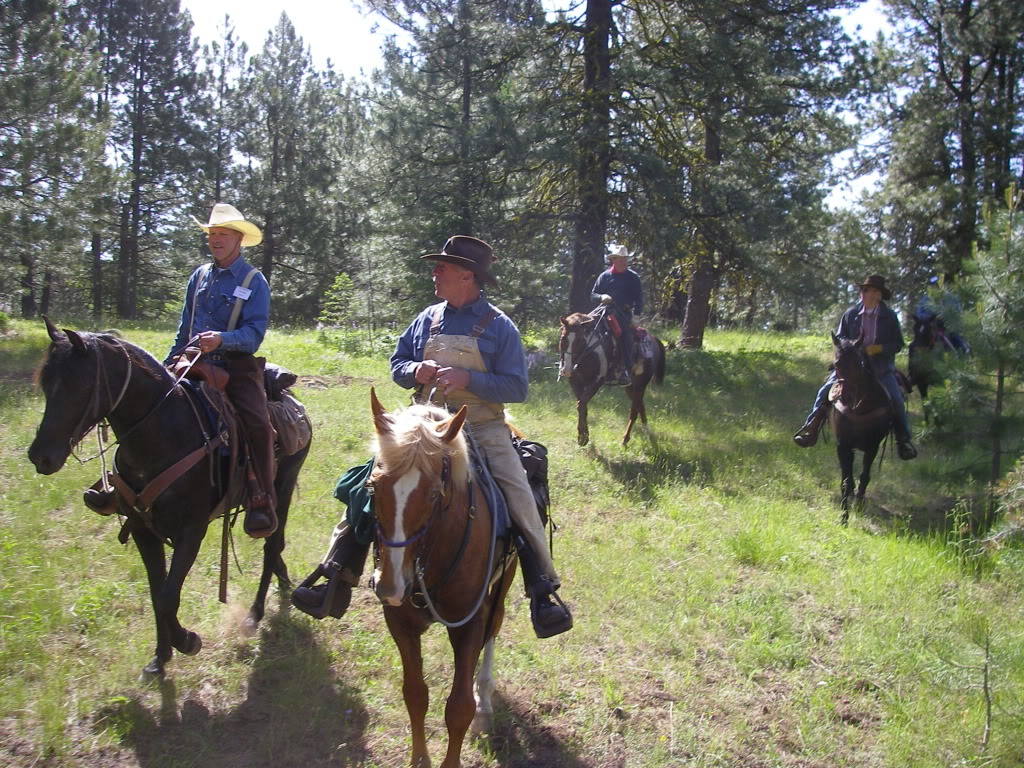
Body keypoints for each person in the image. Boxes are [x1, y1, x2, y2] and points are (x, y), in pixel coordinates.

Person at [292, 235, 573, 639]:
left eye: (442, 267)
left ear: (467, 275)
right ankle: (336, 573)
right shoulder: (427, 318)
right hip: (422, 424)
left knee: (518, 493)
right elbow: (397, 363)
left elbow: (517, 387)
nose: (434, 273)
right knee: (372, 482)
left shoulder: (500, 327)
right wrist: (414, 371)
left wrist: (468, 378)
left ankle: (542, 588)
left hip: (482, 426)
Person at [84, 203, 278, 538]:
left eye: (223, 234)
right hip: (189, 361)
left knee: (258, 424)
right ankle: (121, 485)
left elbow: (253, 334)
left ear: (238, 239)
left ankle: (261, 497)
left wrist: (221, 340)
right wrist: (166, 366)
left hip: (234, 367)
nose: (216, 239)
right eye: (212, 234)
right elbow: (183, 328)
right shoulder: (199, 276)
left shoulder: (253, 281)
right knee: (141, 406)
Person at [793, 274, 918, 461]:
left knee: (896, 398)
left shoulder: (890, 317)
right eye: (864, 290)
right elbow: (840, 338)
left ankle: (903, 440)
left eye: (870, 290)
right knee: (825, 391)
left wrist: (879, 348)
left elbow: (898, 344)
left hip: (880, 367)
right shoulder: (851, 314)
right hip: (851, 365)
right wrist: (851, 346)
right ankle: (811, 428)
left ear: (879, 295)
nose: (865, 293)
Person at [591, 244, 643, 385]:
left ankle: (625, 369)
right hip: (604, 312)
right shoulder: (604, 276)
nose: (624, 262)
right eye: (621, 259)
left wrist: (636, 316)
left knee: (626, 336)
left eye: (625, 259)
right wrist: (601, 297)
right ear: (613, 260)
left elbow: (639, 299)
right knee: (588, 331)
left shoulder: (633, 277)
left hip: (624, 315)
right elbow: (593, 295)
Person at [914, 276, 969, 354]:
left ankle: (963, 351)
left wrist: (947, 316)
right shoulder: (925, 300)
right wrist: (931, 316)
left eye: (937, 285)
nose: (935, 287)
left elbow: (958, 312)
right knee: (918, 338)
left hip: (949, 325)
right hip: (932, 325)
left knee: (954, 336)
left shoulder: (951, 298)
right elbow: (919, 313)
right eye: (933, 286)